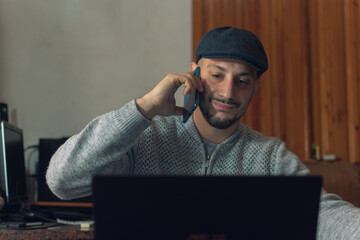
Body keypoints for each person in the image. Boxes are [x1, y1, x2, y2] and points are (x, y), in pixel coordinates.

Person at [46, 26, 360, 239]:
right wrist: (143, 108)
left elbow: (327, 217)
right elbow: (62, 181)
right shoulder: (144, 138)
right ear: (194, 72)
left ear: (255, 87)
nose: (227, 92)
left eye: (242, 80)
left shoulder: (270, 158)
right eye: (216, 75)